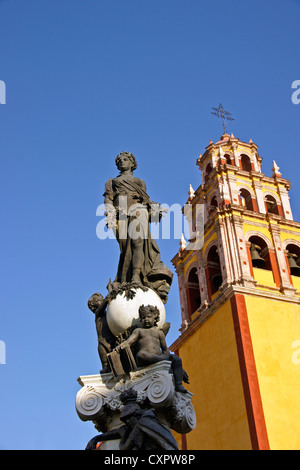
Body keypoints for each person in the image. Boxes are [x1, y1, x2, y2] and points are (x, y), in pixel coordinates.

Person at [103, 151, 172, 302]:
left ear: (132, 163)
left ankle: (136, 277)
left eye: (126, 159)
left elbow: (146, 201)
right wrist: (110, 215)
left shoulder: (140, 182)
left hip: (138, 211)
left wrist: (154, 208)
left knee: (138, 243)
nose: (122, 162)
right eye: (119, 160)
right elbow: (108, 200)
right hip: (121, 214)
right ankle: (124, 277)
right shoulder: (111, 182)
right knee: (124, 248)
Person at [115, 304, 189, 393]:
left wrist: (179, 368)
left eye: (148, 317)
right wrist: (121, 345)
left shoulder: (159, 333)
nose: (146, 319)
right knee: (141, 354)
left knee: (177, 359)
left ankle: (178, 385)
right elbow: (129, 342)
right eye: (143, 318)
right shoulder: (138, 331)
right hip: (144, 358)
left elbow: (165, 350)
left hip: (157, 357)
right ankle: (162, 360)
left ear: (155, 318)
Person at [86, 389, 179, 450]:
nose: (127, 423)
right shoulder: (147, 421)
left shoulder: (142, 423)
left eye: (128, 419)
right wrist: (97, 438)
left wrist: (123, 438)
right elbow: (119, 431)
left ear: (135, 416)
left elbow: (125, 448)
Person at [87, 293, 116, 373]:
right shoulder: (98, 314)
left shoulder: (108, 314)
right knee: (105, 363)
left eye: (102, 299)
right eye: (99, 300)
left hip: (111, 340)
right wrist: (106, 299)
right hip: (102, 342)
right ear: (92, 304)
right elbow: (102, 308)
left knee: (114, 361)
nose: (101, 301)